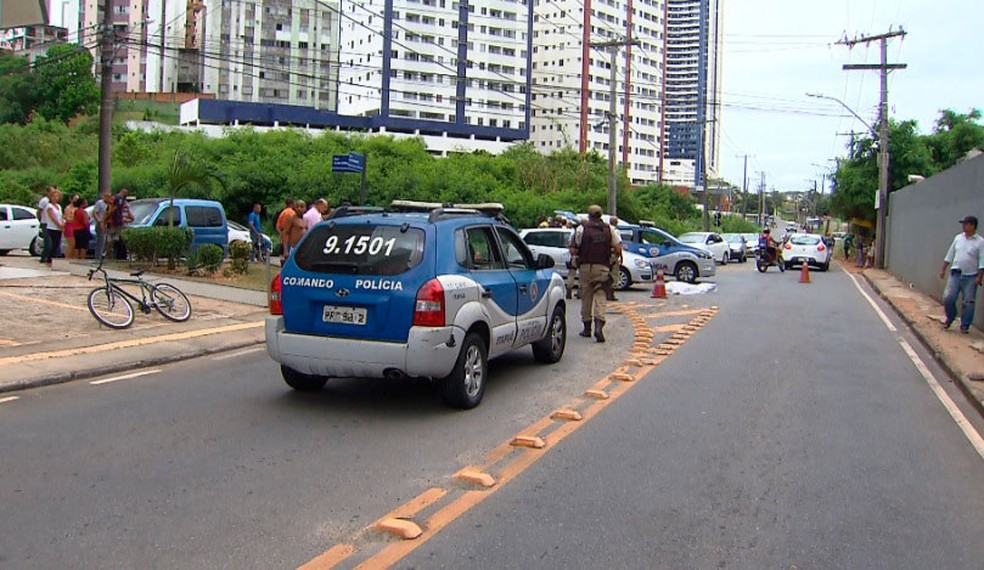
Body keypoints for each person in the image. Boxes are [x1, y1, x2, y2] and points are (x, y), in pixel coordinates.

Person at [571, 205, 615, 342]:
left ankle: (587, 328)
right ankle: (599, 325)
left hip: (585, 267)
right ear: (601, 215)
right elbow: (618, 248)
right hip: (602, 267)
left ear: (589, 216)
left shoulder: (581, 229)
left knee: (586, 296)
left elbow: (573, 249)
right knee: (601, 295)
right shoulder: (610, 229)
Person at [940, 215, 984, 334]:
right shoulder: (958, 238)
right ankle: (950, 317)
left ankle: (965, 325)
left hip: (971, 276)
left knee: (968, 302)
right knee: (949, 298)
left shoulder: (980, 242)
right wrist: (944, 268)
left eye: (966, 224)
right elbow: (950, 254)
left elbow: (982, 261)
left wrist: (980, 277)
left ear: (972, 226)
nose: (963, 226)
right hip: (955, 273)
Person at [40, 188, 64, 265]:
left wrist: (62, 223)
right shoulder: (49, 206)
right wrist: (59, 224)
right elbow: (52, 217)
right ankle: (49, 259)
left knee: (57, 244)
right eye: (54, 196)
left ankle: (53, 258)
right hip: (52, 227)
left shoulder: (59, 206)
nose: (55, 198)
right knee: (53, 244)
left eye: (57, 196)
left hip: (58, 228)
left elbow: (60, 216)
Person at [605, 216, 623, 301]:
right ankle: (611, 294)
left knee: (606, 274)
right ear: (616, 223)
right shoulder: (615, 231)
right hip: (613, 255)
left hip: (605, 255)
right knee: (614, 274)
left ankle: (606, 292)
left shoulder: (605, 230)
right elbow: (618, 246)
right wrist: (620, 256)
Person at [92, 191, 110, 259]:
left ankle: (103, 255)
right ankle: (98, 256)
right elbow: (95, 213)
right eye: (107, 196)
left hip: (106, 224)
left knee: (106, 241)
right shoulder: (100, 203)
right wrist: (99, 221)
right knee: (100, 240)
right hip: (100, 223)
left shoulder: (109, 204)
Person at [62, 193, 80, 259]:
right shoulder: (68, 208)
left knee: (75, 245)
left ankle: (72, 258)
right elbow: (67, 218)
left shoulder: (77, 208)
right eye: (75, 199)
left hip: (76, 227)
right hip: (70, 226)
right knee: (71, 244)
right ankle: (67, 258)